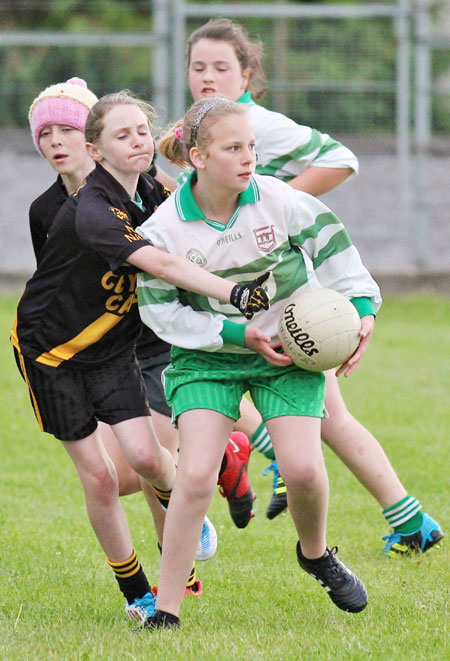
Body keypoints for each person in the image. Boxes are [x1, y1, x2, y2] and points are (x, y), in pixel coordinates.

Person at [181, 17, 444, 553]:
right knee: (328, 416)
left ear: (248, 75)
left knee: (293, 405)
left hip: (284, 296)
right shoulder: (200, 133)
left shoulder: (258, 124)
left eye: (221, 67)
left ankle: (276, 458)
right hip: (246, 296)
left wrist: (274, 206)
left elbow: (339, 158)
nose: (208, 77)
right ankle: (409, 520)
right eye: (198, 66)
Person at [12, 89, 270, 624]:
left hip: (112, 349)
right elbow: (161, 264)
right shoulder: (90, 209)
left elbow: (200, 213)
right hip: (50, 355)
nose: (135, 142)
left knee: (151, 459)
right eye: (120, 135)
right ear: (98, 151)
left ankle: (188, 505)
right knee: (102, 478)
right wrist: (233, 294)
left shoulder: (153, 191)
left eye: (140, 133)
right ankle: (136, 593)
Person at [136, 97, 382, 629]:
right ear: (198, 158)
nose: (248, 157)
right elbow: (159, 312)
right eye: (233, 149)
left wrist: (361, 310)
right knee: (197, 474)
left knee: (303, 470)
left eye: (251, 146)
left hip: (286, 356)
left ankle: (315, 553)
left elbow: (337, 252)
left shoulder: (280, 200)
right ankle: (167, 609)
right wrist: (235, 332)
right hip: (208, 359)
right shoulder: (165, 229)